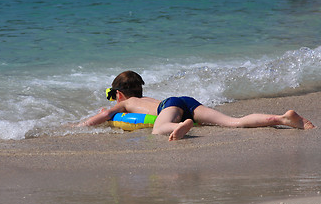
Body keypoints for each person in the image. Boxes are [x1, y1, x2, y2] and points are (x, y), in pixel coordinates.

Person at [80, 70, 315, 141]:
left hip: (170, 108)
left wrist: (77, 124)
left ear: (118, 94)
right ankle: (282, 118)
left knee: (157, 129)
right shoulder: (141, 99)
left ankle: (180, 126)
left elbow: (96, 120)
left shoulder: (126, 103)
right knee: (234, 123)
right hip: (185, 101)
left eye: (112, 97)